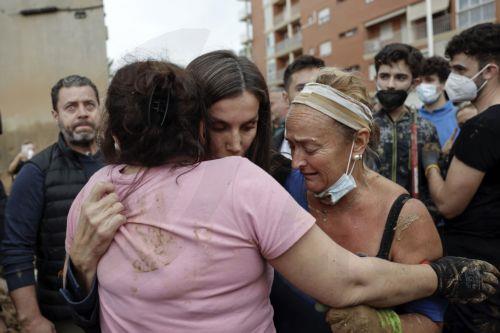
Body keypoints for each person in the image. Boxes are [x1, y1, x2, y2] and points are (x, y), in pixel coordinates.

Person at [65, 59, 498, 333]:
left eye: (250, 126)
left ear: (359, 142)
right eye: (217, 127)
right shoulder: (261, 186)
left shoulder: (400, 213)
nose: (234, 143)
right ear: (192, 122)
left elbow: (429, 316)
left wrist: (387, 323)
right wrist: (80, 269)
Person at [273, 67, 446, 332]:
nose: (296, 162)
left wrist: (385, 324)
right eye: (292, 145)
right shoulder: (284, 189)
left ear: (360, 141)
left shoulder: (405, 217)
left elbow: (432, 321)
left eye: (310, 148)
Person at [1, 75, 103, 333]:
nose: (82, 113)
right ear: (55, 115)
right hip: (66, 315)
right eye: (71, 107)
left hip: (122, 310)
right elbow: (16, 249)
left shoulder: (122, 164)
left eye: (89, 105)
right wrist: (30, 319)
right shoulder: (36, 173)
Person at [422, 23, 500, 333]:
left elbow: (448, 203)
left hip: (475, 267)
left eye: (459, 69)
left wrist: (431, 166)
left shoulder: (482, 127)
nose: (452, 79)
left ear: (489, 70)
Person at [372, 43, 441, 221]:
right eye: (384, 76)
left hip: (414, 222)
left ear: (414, 82)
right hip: (370, 221)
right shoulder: (362, 125)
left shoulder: (425, 128)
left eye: (400, 77)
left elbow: (434, 183)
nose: (390, 85)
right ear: (376, 78)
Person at [272, 55, 324, 156]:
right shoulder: (270, 149)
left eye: (317, 86)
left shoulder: (348, 144)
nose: (311, 94)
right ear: (286, 98)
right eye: (301, 88)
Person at [417, 56, 459, 156]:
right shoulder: (412, 117)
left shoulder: (459, 117)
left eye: (429, 80)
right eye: (419, 81)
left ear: (444, 83)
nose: (422, 85)